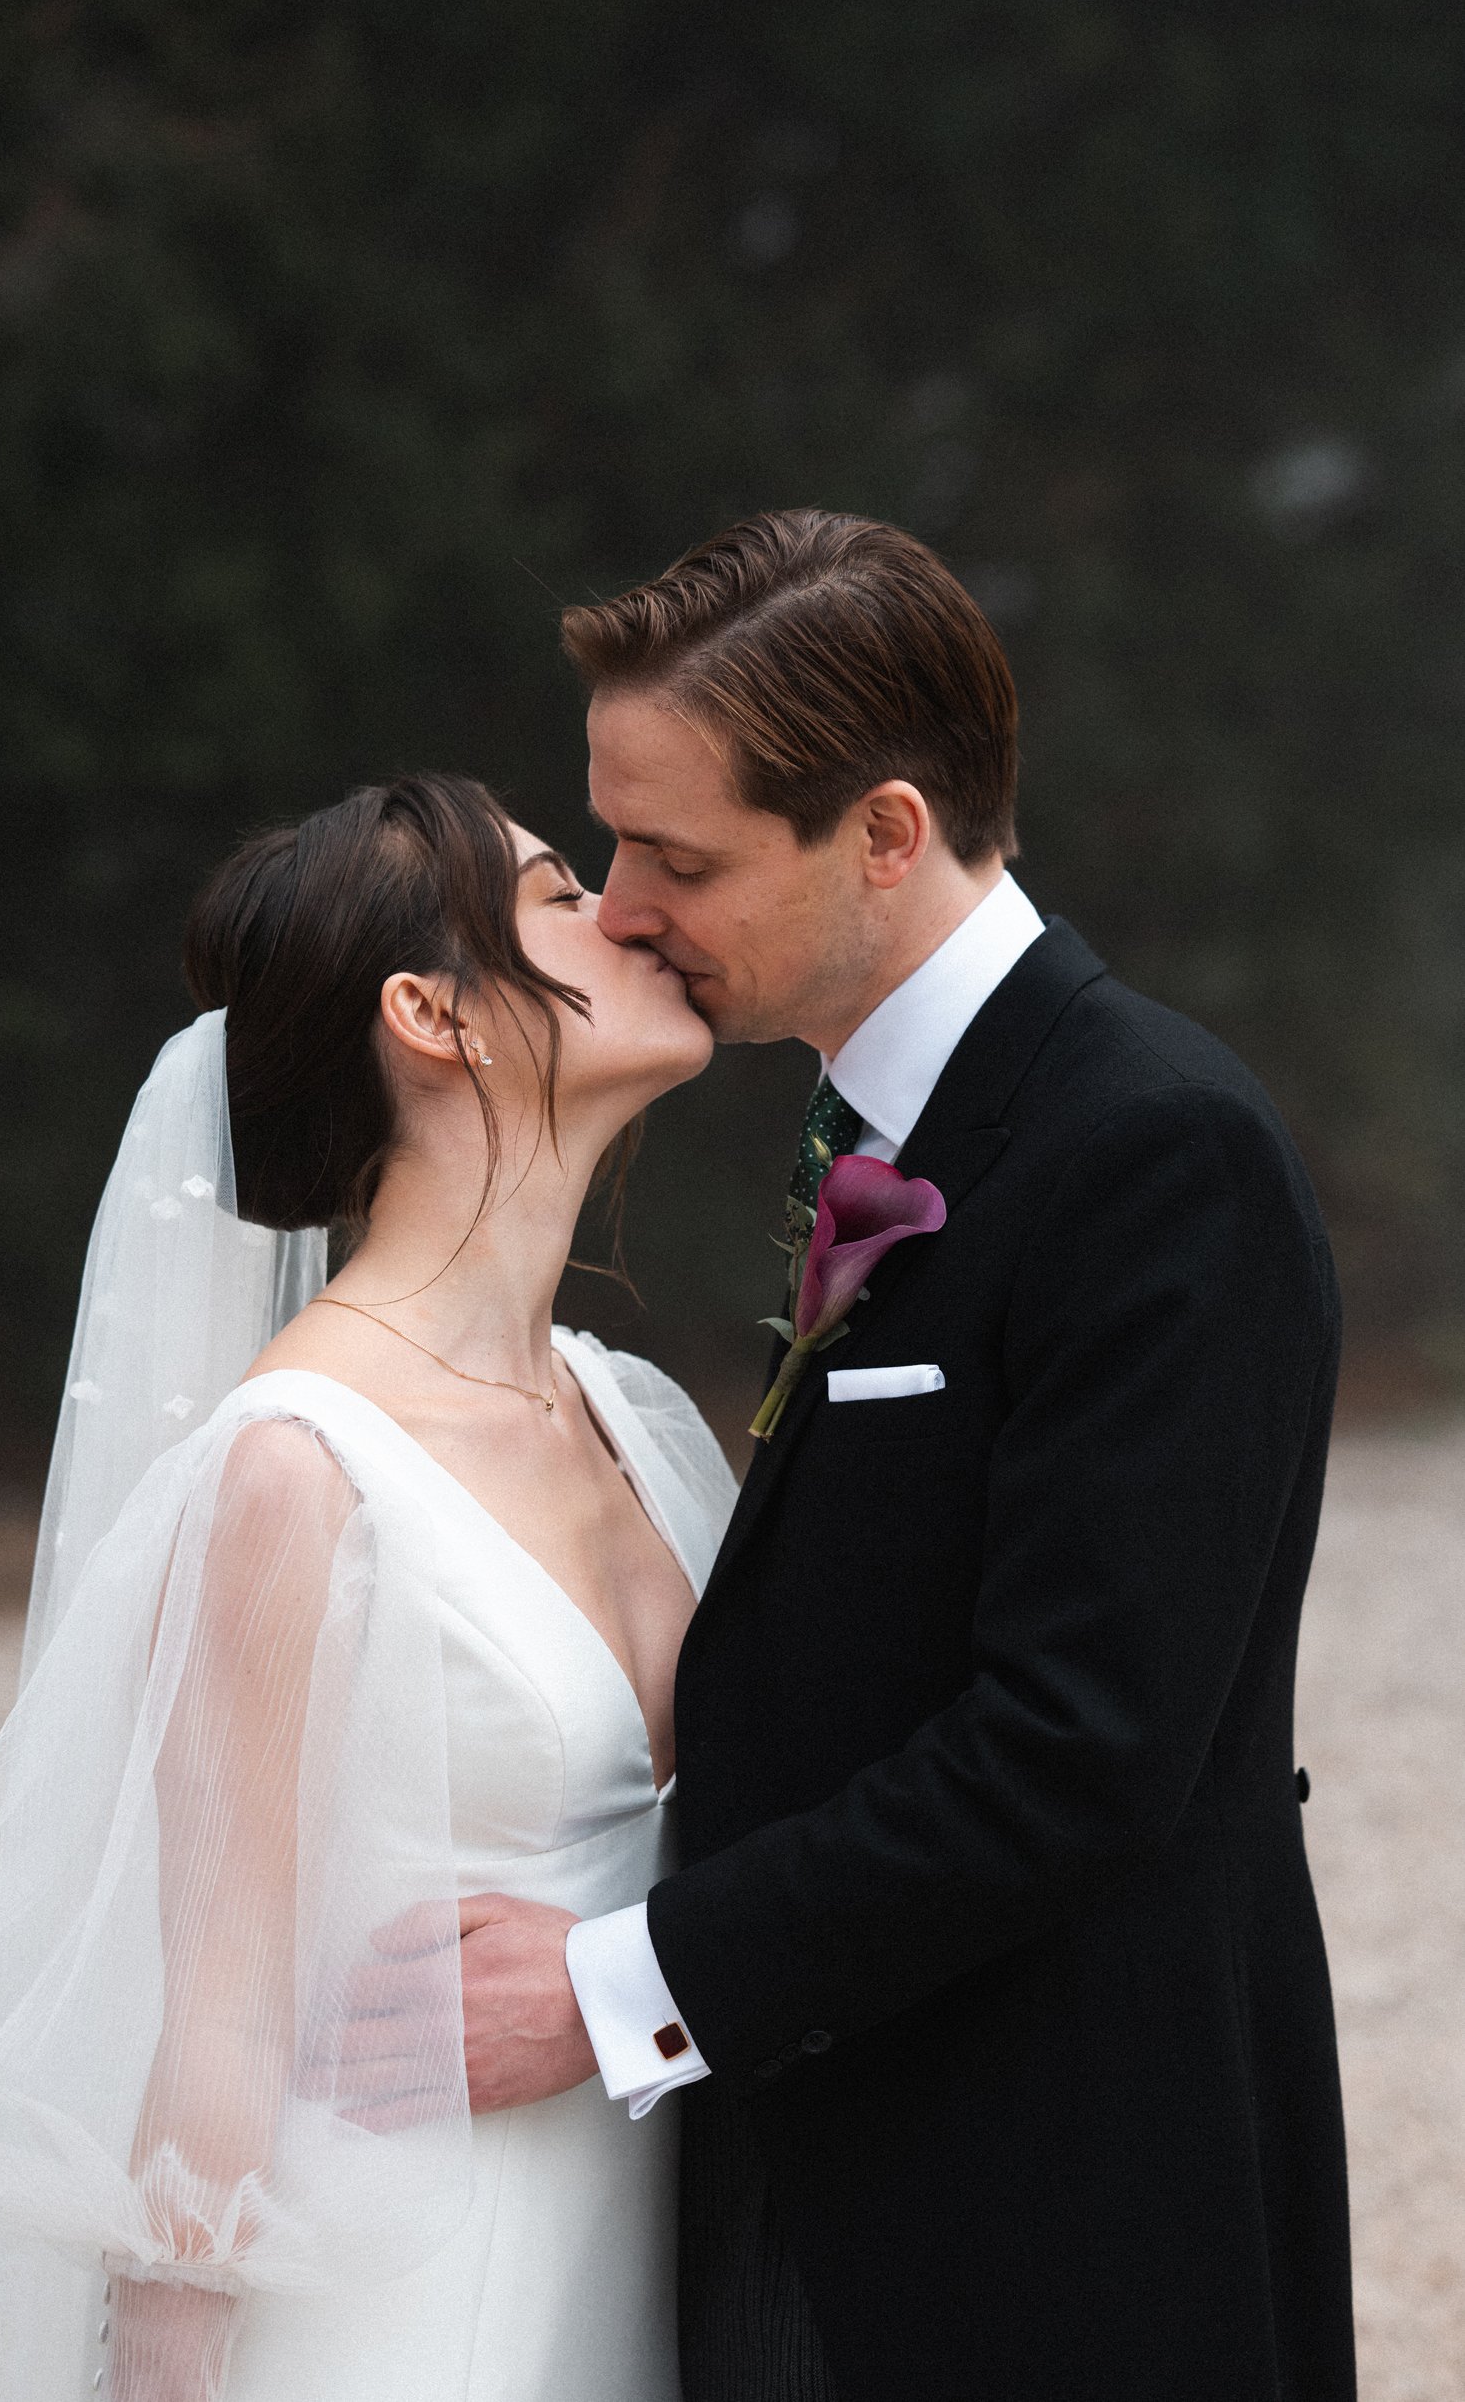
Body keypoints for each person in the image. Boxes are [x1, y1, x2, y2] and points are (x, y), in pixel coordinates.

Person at [463, 511, 1358, 2402]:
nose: (621, 905)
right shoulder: (888, 1123)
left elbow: (1081, 1747)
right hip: (859, 2152)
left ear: (883, 832)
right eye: (613, 841)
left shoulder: (1154, 1149)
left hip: (1072, 2206)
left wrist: (621, 1988)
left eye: (677, 855)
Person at [0, 772, 739, 2402]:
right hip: (403, 2324)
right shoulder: (294, 1472)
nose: (630, 912)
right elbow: (207, 2017)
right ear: (435, 1014)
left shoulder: (630, 1415)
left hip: (645, 2279)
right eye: (565, 890)